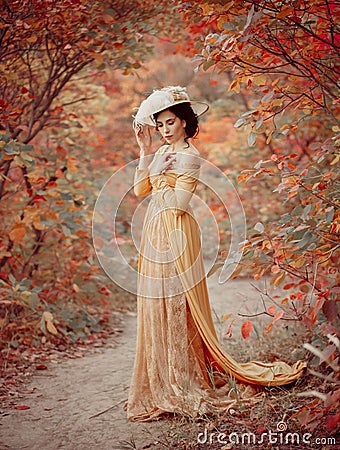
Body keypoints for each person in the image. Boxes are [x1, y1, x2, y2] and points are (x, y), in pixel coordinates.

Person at [126, 86, 306, 422]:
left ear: (184, 123)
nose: (164, 130)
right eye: (159, 125)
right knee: (156, 302)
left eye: (169, 123)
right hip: (154, 230)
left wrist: (159, 172)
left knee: (178, 302)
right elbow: (140, 192)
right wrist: (145, 153)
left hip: (178, 231)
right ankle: (162, 376)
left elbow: (178, 205)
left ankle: (185, 376)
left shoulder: (189, 157)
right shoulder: (159, 152)